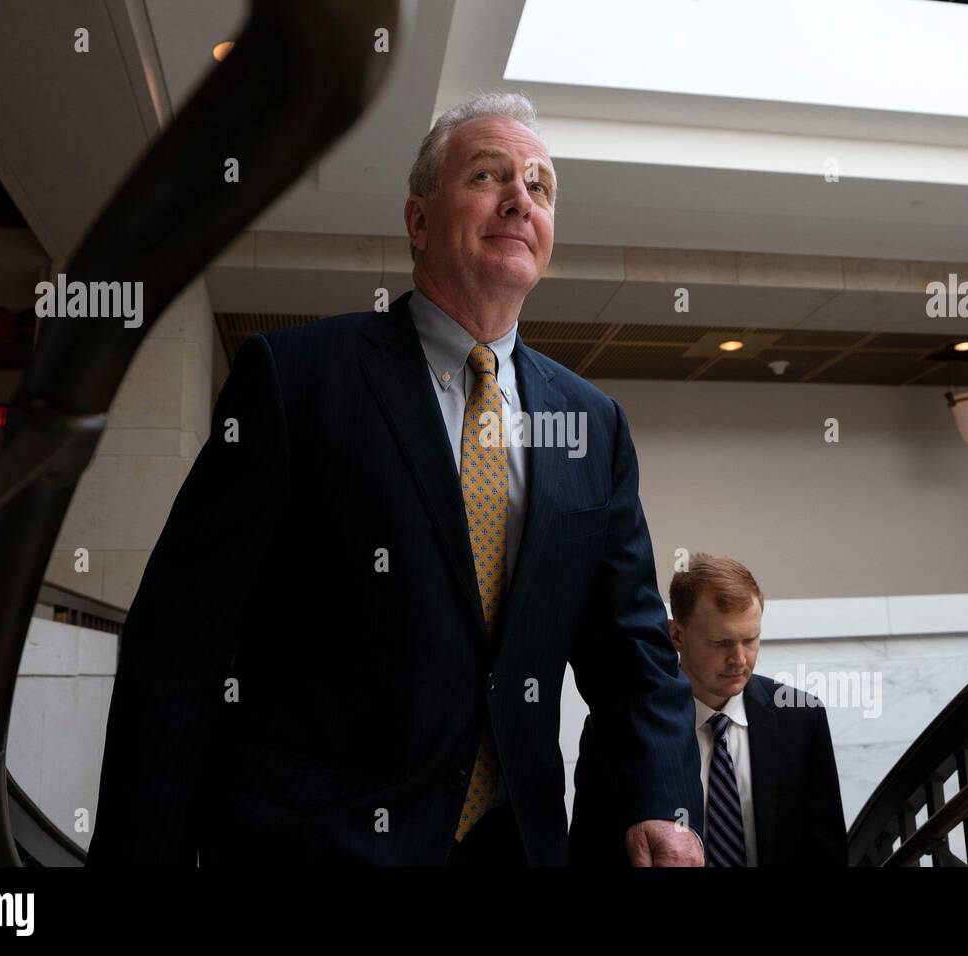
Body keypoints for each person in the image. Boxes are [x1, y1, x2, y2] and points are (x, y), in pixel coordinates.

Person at [87, 92, 704, 866]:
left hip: (514, 846)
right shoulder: (295, 381)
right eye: (489, 174)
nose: (521, 198)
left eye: (540, 187)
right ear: (417, 221)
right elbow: (180, 642)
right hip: (316, 845)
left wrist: (660, 799)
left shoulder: (593, 423)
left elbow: (634, 650)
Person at [571, 554, 846, 866]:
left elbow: (828, 852)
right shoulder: (617, 729)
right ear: (676, 635)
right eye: (720, 642)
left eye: (750, 640)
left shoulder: (802, 717)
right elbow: (589, 853)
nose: (740, 659)